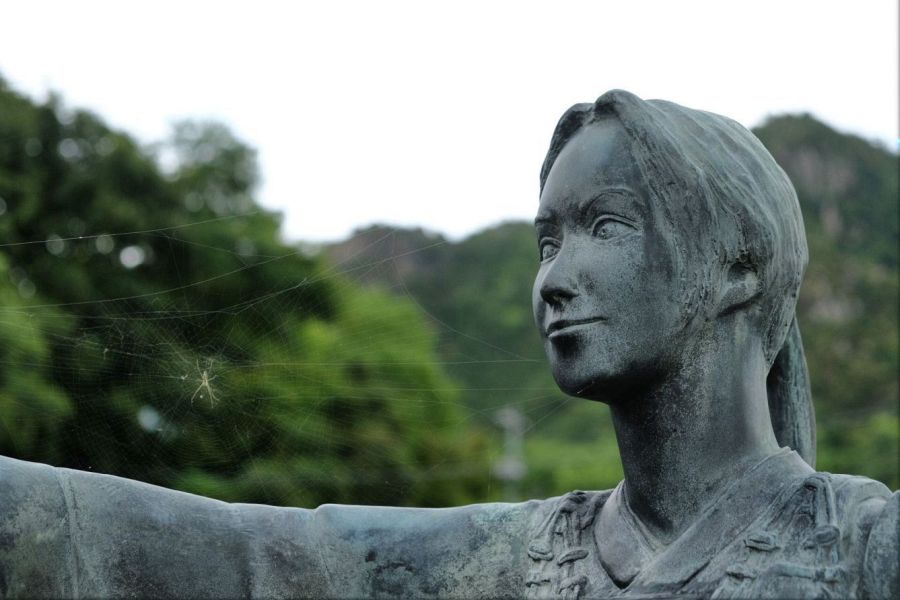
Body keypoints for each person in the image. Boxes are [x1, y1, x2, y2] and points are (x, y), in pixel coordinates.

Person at [0, 90, 896, 599]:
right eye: (547, 242)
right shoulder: (516, 561)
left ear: (739, 266)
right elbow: (259, 556)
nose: (553, 278)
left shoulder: (864, 551)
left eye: (605, 227)